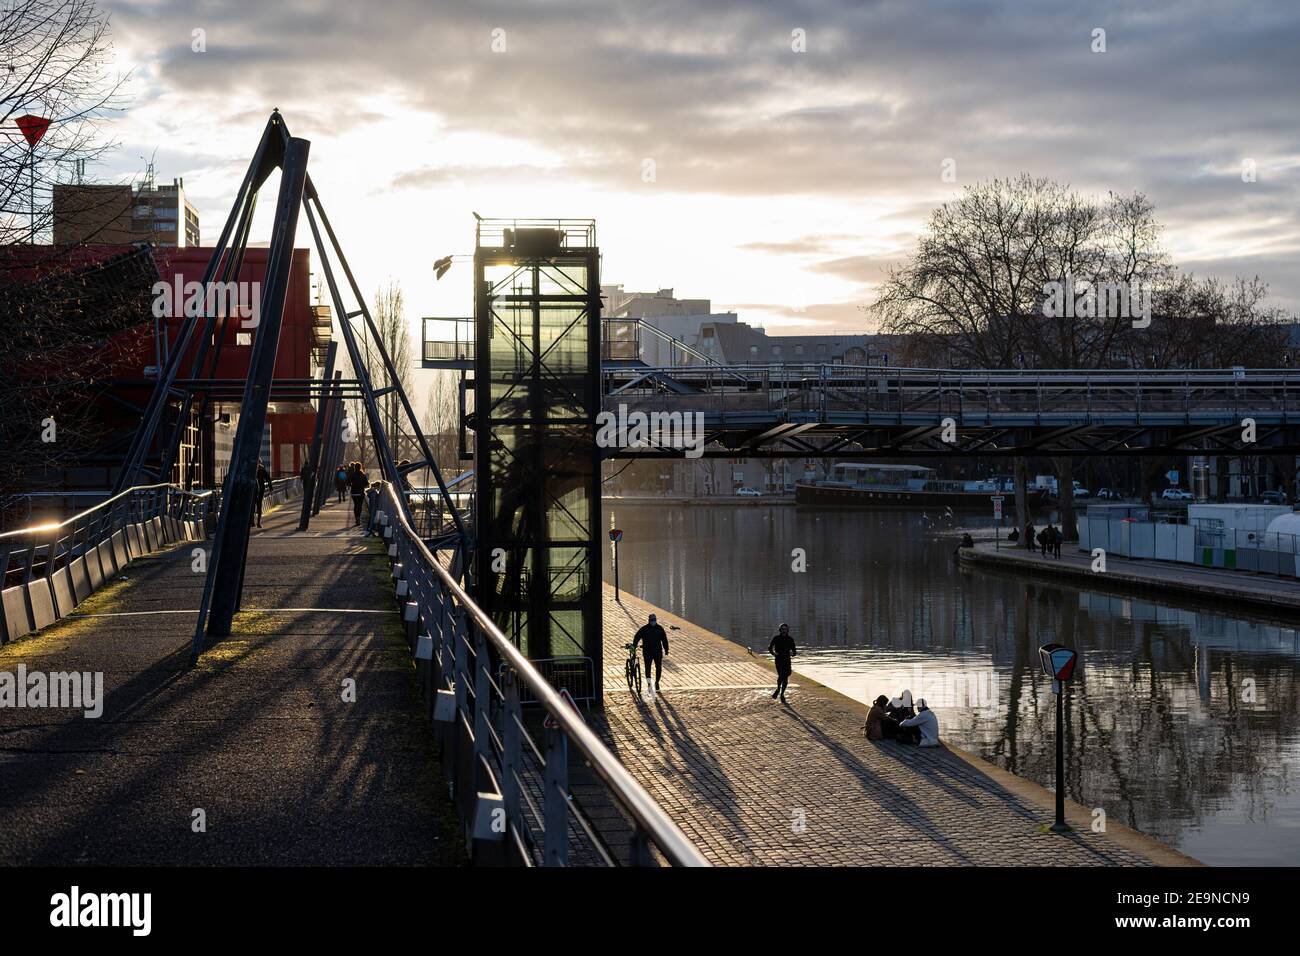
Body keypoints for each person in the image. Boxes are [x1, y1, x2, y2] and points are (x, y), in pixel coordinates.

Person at [631, 613, 669, 692]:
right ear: (649, 620)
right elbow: (637, 637)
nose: (653, 621)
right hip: (647, 651)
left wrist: (666, 649)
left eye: (654, 620)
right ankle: (649, 684)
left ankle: (657, 682)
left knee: (658, 667)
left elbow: (664, 639)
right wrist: (634, 646)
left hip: (657, 651)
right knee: (647, 668)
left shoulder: (660, 628)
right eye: (652, 620)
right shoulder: (644, 629)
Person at [768, 623, 797, 702]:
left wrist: (793, 653)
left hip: (787, 659)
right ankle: (778, 690)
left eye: (785, 629)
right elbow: (770, 647)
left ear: (787, 630)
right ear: (780, 630)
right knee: (781, 675)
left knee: (786, 676)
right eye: (782, 629)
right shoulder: (776, 638)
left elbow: (794, 651)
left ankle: (781, 693)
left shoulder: (790, 639)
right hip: (779, 659)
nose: (784, 631)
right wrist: (773, 653)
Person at [348, 461, 369, 527]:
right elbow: (366, 484)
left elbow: (349, 482)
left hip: (354, 493)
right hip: (360, 493)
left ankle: (356, 518)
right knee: (359, 506)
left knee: (355, 505)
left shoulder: (352, 474)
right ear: (360, 467)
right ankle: (358, 518)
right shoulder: (363, 475)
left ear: (355, 467)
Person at [252, 460, 271, 528]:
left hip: (253, 490)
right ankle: (258, 523)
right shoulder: (262, 469)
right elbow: (268, 478)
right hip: (260, 489)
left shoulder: (252, 469)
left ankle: (253, 522)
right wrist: (270, 488)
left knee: (252, 505)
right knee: (259, 505)